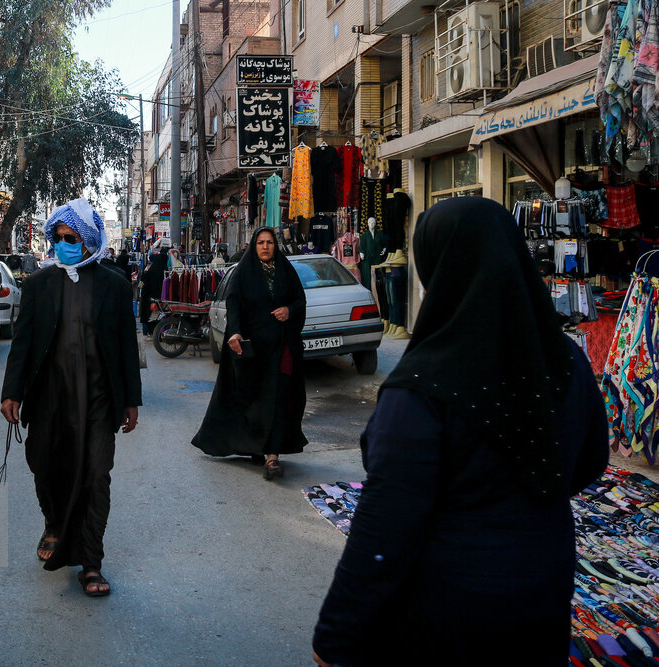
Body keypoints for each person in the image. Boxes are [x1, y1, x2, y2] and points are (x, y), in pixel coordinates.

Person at [311, 198, 609, 666]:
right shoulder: (564, 360)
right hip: (543, 588)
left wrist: (335, 636)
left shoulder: (423, 386)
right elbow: (591, 460)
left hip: (449, 607)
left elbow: (385, 527)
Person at [0, 198, 142, 598]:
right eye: (58, 237)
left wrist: (131, 399)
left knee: (97, 476)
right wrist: (12, 392)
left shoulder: (114, 284)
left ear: (89, 240)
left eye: (71, 238)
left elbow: (126, 346)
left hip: (98, 400)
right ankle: (54, 524)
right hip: (49, 397)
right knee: (46, 467)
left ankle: (92, 564)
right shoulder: (40, 285)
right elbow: (23, 343)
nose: (62, 243)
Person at [191, 227, 307, 479]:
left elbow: (300, 300)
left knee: (278, 396)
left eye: (270, 242)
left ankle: (273, 457)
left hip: (282, 344)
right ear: (254, 246)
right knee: (255, 399)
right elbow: (233, 303)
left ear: (276, 246)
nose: (265, 247)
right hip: (254, 348)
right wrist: (234, 332)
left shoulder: (286, 271)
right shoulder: (244, 272)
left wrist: (289, 310)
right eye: (260, 243)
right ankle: (256, 447)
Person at [138, 248, 166, 337]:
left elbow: (140, 285)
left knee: (147, 314)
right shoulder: (164, 272)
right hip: (159, 298)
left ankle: (148, 332)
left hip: (147, 297)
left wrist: (141, 291)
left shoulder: (147, 271)